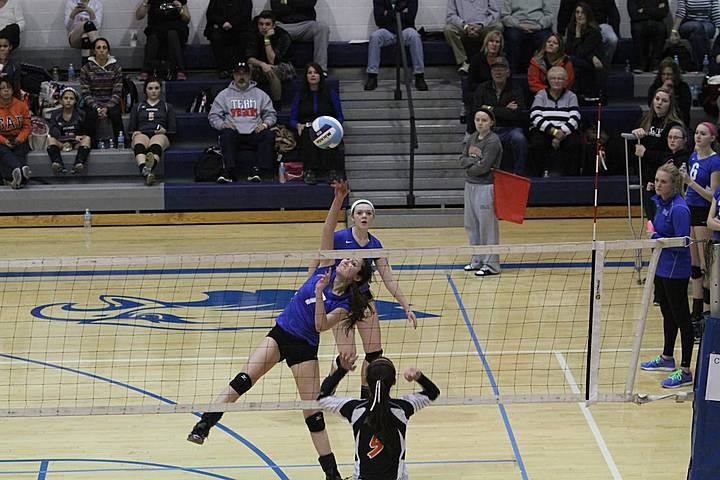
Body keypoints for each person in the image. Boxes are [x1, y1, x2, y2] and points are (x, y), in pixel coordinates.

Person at [188, 180, 372, 480]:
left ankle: (333, 476)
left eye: (353, 264)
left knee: (312, 414)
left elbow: (319, 326)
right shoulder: (325, 266)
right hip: (281, 332)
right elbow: (326, 233)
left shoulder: (344, 303)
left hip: (303, 347)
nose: (348, 261)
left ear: (356, 278)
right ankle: (205, 424)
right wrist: (338, 199)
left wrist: (321, 294)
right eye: (348, 258)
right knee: (244, 378)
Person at [311, 197, 417, 399]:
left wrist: (406, 307)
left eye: (368, 213)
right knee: (347, 356)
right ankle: (327, 390)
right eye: (359, 213)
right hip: (340, 299)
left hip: (363, 300)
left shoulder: (375, 244)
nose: (364, 216)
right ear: (352, 217)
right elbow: (317, 260)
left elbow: (389, 279)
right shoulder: (339, 238)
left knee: (374, 353)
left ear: (373, 217)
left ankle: (365, 398)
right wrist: (311, 287)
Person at [317, 355, 440, 479]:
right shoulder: (402, 408)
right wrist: (418, 376)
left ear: (366, 380)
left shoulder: (356, 409)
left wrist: (342, 370)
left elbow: (322, 398)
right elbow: (433, 392)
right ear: (393, 382)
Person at [640, 163, 693, 388]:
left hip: (675, 270)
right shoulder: (661, 204)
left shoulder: (679, 209)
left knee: (682, 319)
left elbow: (682, 243)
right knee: (667, 314)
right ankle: (667, 357)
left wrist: (656, 237)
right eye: (657, 180)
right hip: (661, 268)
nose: (658, 185)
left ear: (674, 185)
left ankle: (686, 370)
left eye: (663, 182)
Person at [680, 122, 720, 341]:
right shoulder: (694, 156)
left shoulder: (715, 161)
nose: (697, 136)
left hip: (704, 213)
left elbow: (713, 195)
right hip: (690, 211)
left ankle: (706, 314)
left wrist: (690, 183)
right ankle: (695, 314)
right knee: (694, 266)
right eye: (696, 133)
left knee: (706, 267)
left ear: (712, 138)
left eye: (703, 134)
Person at [208, 62, 277, 182]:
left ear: (250, 75)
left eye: (244, 73)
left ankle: (258, 170)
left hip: (255, 131)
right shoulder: (224, 95)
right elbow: (213, 116)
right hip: (234, 132)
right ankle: (229, 171)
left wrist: (265, 124)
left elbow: (271, 114)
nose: (241, 77)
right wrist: (222, 124)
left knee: (268, 134)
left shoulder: (260, 94)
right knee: (225, 134)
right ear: (233, 75)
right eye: (238, 74)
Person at [630, 87, 684, 220]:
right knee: (651, 220)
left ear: (670, 105)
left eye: (664, 100)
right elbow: (635, 151)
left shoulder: (674, 126)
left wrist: (646, 153)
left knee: (663, 220)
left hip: (665, 181)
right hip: (647, 179)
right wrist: (635, 136)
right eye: (657, 99)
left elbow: (672, 156)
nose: (659, 103)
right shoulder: (644, 121)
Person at [462, 106, 503, 276]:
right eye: (477, 119)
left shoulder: (493, 142)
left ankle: (492, 264)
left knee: (488, 226)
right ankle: (477, 259)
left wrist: (470, 166)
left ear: (491, 122)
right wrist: (472, 165)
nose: (480, 123)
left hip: (486, 187)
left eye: (484, 120)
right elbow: (462, 159)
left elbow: (484, 167)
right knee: (471, 225)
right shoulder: (472, 137)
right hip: (470, 186)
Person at [470, 56, 527, 175]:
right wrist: (504, 109)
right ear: (491, 72)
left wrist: (489, 108)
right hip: (488, 130)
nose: (498, 72)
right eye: (495, 69)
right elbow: (477, 111)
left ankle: (518, 174)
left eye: (502, 69)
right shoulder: (482, 88)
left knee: (519, 138)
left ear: (508, 72)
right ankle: (482, 174)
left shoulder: (516, 88)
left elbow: (516, 114)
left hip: (509, 129)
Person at [289, 63, 344, 185]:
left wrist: (333, 125)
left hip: (327, 127)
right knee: (309, 133)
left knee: (328, 134)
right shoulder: (300, 95)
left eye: (316, 72)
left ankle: (331, 171)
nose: (313, 75)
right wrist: (297, 125)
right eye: (310, 73)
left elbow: (340, 116)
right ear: (306, 77)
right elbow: (292, 119)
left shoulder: (330, 94)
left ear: (320, 76)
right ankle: (309, 171)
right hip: (307, 128)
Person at [529, 66, 581, 176]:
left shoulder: (571, 96)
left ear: (565, 81)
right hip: (544, 130)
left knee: (574, 144)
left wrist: (562, 132)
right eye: (553, 78)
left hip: (566, 132)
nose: (556, 81)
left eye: (560, 78)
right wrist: (554, 132)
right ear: (548, 80)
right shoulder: (541, 95)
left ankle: (571, 178)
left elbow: (575, 117)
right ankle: (537, 176)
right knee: (537, 143)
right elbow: (535, 116)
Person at [365, 0, 428, 92]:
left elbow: (411, 17)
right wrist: (400, 14)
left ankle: (419, 76)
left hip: (405, 30)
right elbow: (378, 20)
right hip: (387, 31)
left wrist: (387, 13)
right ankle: (372, 76)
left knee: (415, 36)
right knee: (374, 37)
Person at [128, 78, 176, 186]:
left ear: (160, 90)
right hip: (143, 133)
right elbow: (131, 129)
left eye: (156, 88)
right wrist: (134, 133)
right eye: (150, 88)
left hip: (159, 134)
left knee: (156, 142)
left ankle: (146, 171)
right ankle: (146, 172)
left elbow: (173, 130)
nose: (153, 91)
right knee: (139, 140)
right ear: (145, 91)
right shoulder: (138, 106)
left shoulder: (167, 106)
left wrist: (165, 131)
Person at [79, 38, 124, 147]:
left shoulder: (116, 68)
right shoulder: (86, 69)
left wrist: (107, 107)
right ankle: (90, 145)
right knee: (90, 115)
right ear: (94, 51)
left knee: (115, 114)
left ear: (108, 50)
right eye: (98, 48)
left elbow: (117, 91)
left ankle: (121, 143)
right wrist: (97, 108)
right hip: (93, 101)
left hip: (111, 101)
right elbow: (85, 92)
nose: (102, 50)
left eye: (104, 47)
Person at [246, 10, 295, 106]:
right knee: (248, 68)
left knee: (272, 70)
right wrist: (262, 64)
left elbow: (273, 61)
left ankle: (277, 105)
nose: (263, 27)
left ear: (274, 26)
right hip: (262, 65)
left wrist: (267, 39)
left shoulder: (283, 36)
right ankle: (248, 104)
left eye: (267, 24)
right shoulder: (253, 34)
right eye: (261, 24)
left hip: (284, 65)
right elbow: (249, 57)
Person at [136, 0, 191, 81]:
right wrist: (145, 2)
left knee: (172, 34)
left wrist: (180, 9)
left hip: (175, 28)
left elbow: (187, 19)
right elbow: (138, 16)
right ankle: (146, 70)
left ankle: (180, 70)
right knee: (153, 37)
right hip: (157, 28)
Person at [444, 0, 502, 74]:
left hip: (484, 27)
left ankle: (487, 59)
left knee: (498, 26)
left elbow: (495, 13)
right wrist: (465, 26)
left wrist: (481, 25)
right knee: (448, 29)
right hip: (464, 27)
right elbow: (450, 16)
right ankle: (464, 62)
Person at [270, 0, 330, 71]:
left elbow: (309, 3)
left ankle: (320, 69)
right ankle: (275, 69)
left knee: (322, 27)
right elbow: (278, 9)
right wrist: (300, 5)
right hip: (284, 26)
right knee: (269, 29)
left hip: (306, 25)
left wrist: (287, 2)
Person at [557, 0, 620, 66]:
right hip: (577, 24)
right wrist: (561, 33)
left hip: (600, 24)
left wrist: (616, 32)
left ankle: (604, 64)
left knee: (612, 39)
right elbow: (563, 13)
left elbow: (613, 14)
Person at [46, 87, 91, 175]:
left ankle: (78, 163)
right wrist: (71, 137)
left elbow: (84, 133)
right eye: (65, 98)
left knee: (87, 139)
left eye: (71, 98)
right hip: (61, 142)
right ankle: (58, 164)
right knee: (50, 139)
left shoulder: (82, 114)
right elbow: (55, 134)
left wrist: (73, 140)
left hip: (76, 143)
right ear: (61, 100)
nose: (68, 101)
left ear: (75, 101)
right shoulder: (55, 114)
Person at [565, 2, 605, 99]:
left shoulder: (594, 31)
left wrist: (578, 35)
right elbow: (569, 49)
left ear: (587, 15)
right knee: (573, 66)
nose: (579, 15)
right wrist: (592, 57)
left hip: (592, 65)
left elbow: (580, 53)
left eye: (582, 13)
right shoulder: (571, 28)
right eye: (577, 12)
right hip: (583, 61)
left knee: (568, 60)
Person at [499, 0, 553, 73]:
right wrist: (518, 25)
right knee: (513, 37)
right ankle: (513, 74)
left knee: (545, 37)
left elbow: (549, 15)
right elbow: (505, 16)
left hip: (538, 25)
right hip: (517, 25)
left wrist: (539, 25)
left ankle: (541, 73)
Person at [204, 0, 253, 79]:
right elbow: (210, 14)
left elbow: (246, 15)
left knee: (245, 36)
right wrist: (222, 22)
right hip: (221, 28)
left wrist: (232, 23)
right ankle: (223, 69)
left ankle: (238, 67)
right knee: (216, 36)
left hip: (239, 28)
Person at [670, 0, 720, 72]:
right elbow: (681, 12)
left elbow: (716, 13)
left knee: (697, 35)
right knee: (697, 27)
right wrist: (674, 31)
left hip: (707, 23)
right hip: (688, 24)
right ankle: (705, 64)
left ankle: (698, 66)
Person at [0, 78, 29, 189]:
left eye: (8, 88)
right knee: (3, 151)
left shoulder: (21, 105)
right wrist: (4, 140)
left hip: (18, 137)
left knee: (20, 150)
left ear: (13, 90)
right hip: (2, 138)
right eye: (2, 88)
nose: (6, 91)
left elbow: (27, 126)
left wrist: (19, 139)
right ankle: (21, 170)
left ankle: (17, 176)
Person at [646, 58, 692, 126]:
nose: (666, 77)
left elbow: (685, 109)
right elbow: (651, 106)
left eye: (669, 74)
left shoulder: (683, 87)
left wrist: (671, 92)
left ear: (675, 75)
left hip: (679, 122)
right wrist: (663, 89)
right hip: (659, 123)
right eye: (663, 74)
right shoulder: (654, 87)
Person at [627, 0, 669, 73]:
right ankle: (640, 64)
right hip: (639, 22)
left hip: (656, 22)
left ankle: (655, 63)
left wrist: (643, 10)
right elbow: (634, 15)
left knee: (661, 28)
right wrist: (654, 9)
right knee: (637, 29)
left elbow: (663, 12)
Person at [65, 0, 102, 65]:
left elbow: (97, 28)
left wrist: (91, 12)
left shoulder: (97, 4)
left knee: (85, 37)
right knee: (86, 23)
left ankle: (85, 68)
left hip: (90, 39)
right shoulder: (71, 3)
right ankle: (101, 51)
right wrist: (73, 13)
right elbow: (68, 27)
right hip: (74, 39)